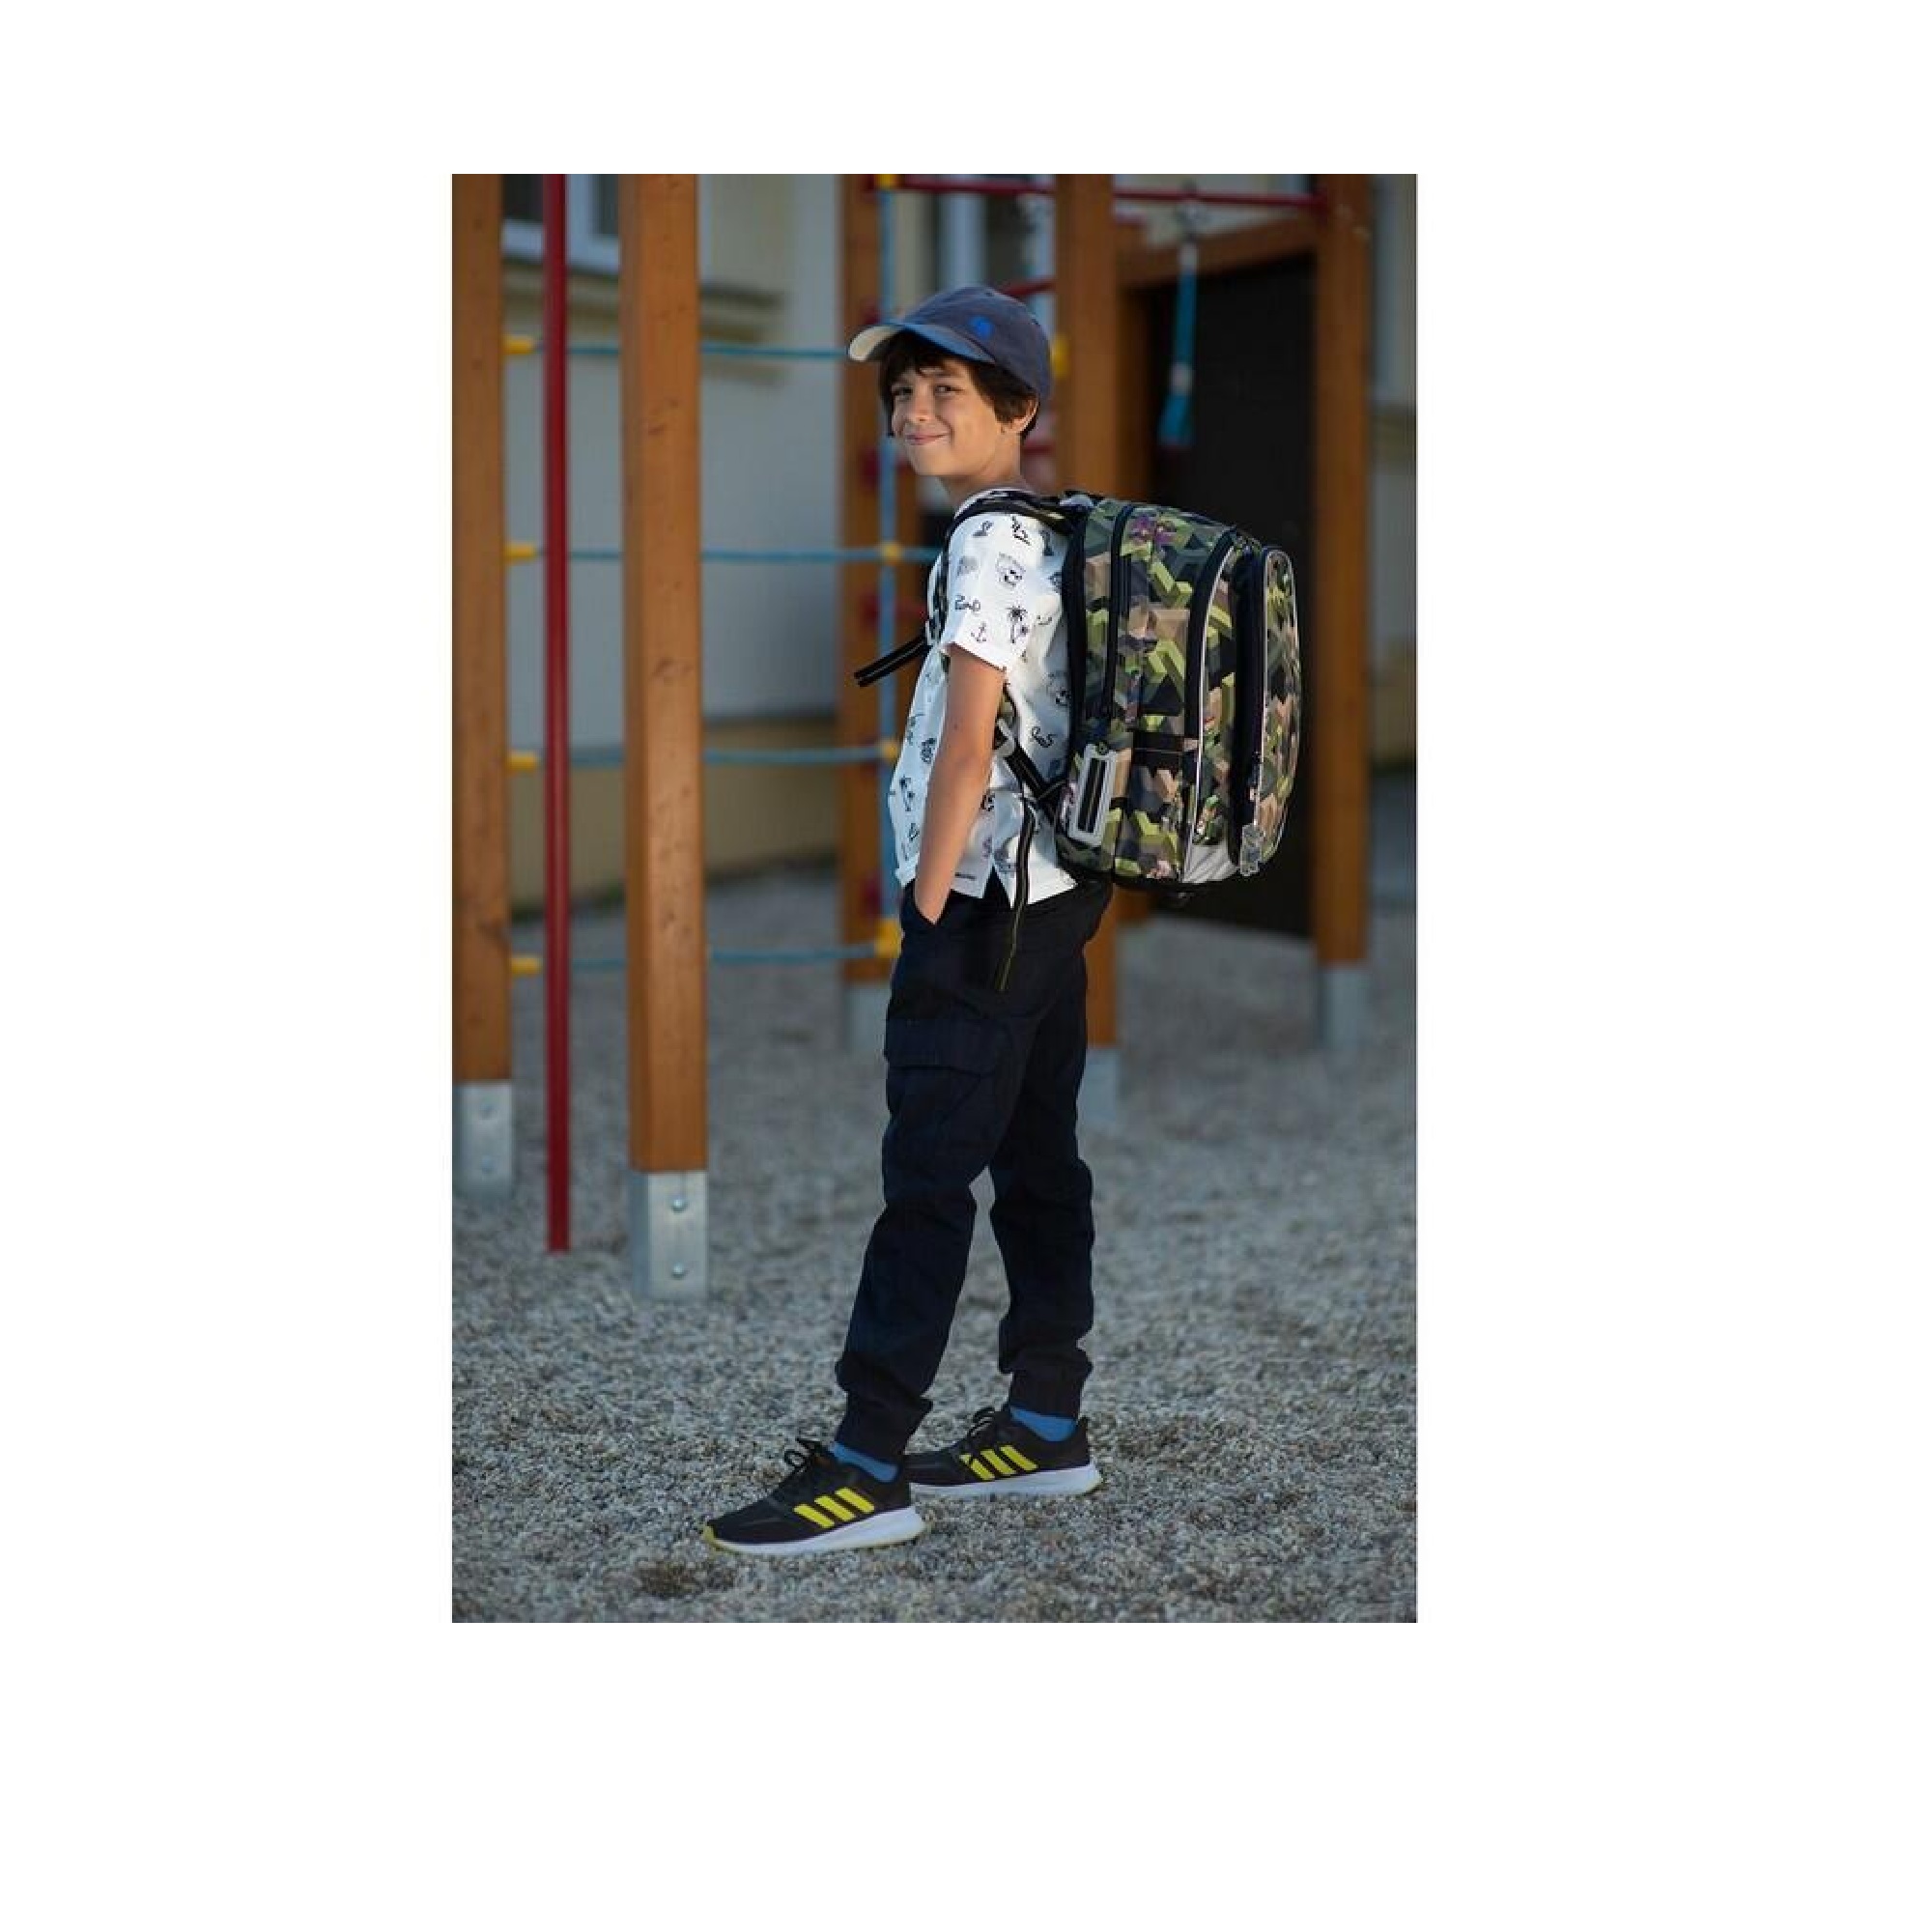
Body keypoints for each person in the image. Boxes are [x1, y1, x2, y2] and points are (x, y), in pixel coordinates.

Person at [704, 287, 1115, 1556]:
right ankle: (1045, 1421)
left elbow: (971, 740)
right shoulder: (1044, 531)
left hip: (983, 904)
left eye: (946, 390)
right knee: (1038, 1160)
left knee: (926, 1181)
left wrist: (929, 901)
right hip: (1054, 894)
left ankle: (867, 1462)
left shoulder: (989, 545)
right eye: (903, 392)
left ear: (1019, 409)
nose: (915, 410)